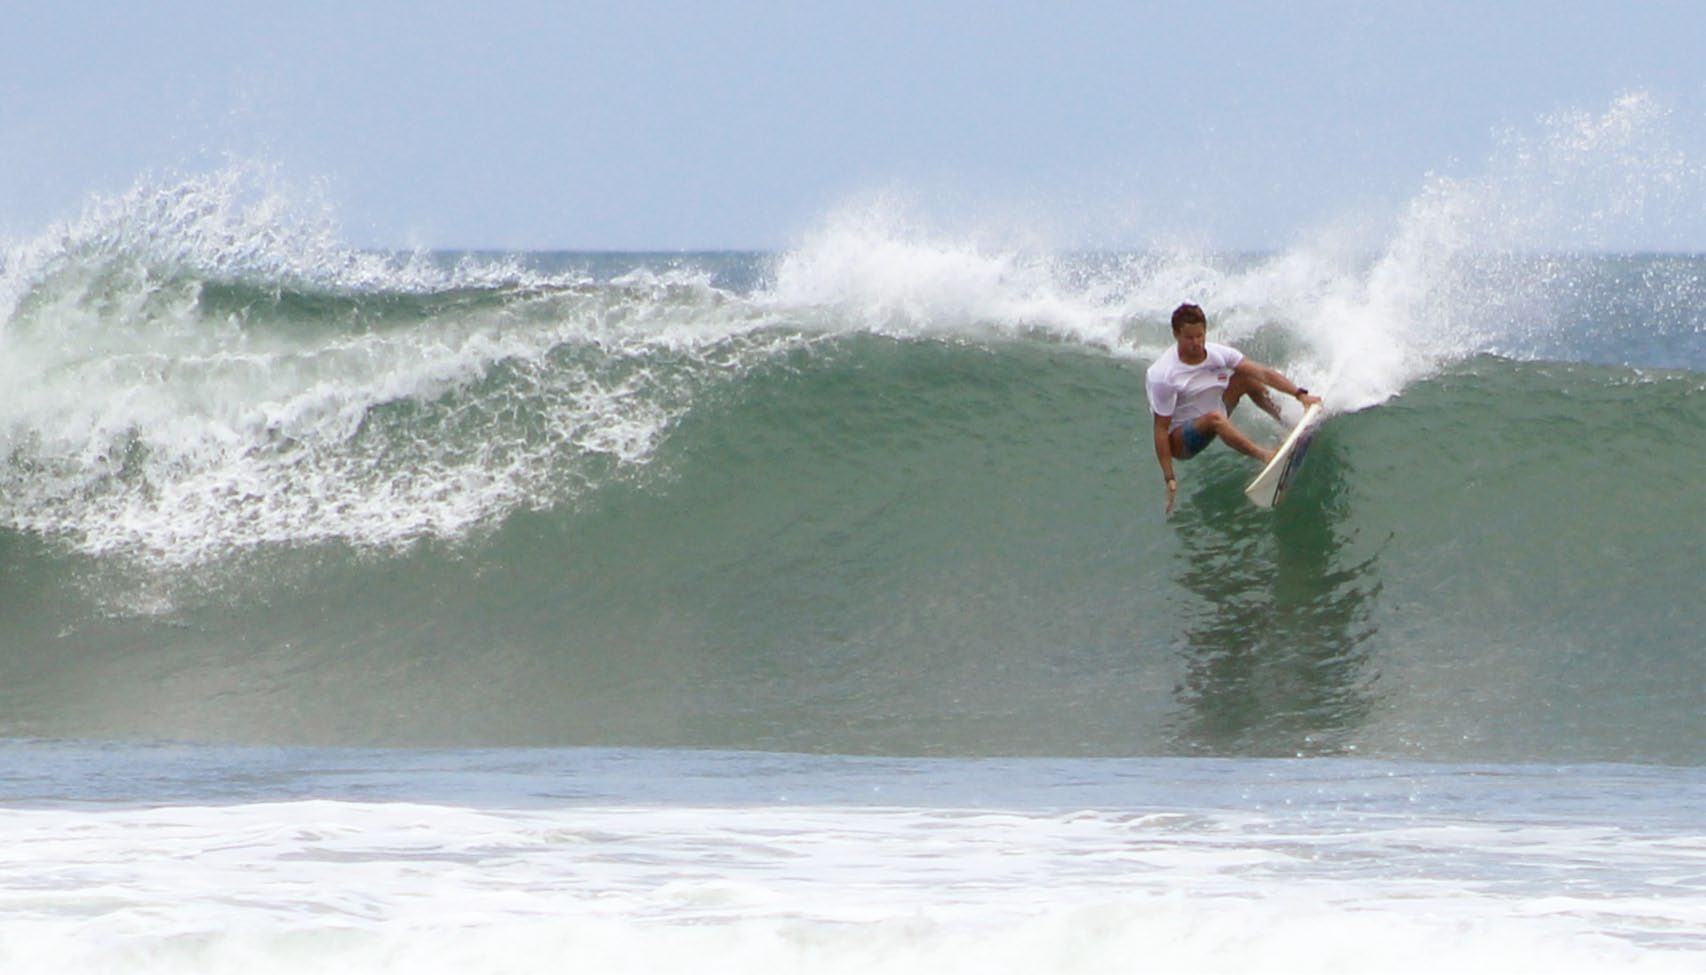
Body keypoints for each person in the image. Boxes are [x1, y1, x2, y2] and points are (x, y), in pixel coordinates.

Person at [1147, 303, 1322, 513]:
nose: (1196, 342)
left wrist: (1300, 395)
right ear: (1176, 335)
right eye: (1189, 338)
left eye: (1200, 336)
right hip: (1182, 438)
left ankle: (1290, 423)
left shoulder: (1218, 354)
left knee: (1246, 378)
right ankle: (1266, 456)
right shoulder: (1163, 374)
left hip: (1216, 411)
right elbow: (1160, 429)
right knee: (1214, 418)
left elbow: (1263, 373)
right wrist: (1169, 478)